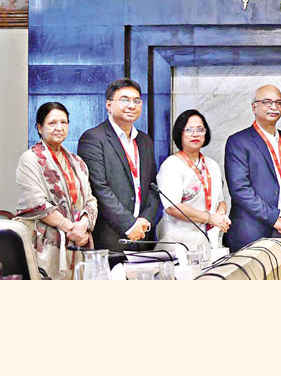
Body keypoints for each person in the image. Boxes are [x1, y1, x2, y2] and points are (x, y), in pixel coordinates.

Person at [14, 102, 98, 279]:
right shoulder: (30, 159)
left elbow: (90, 200)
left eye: (64, 122)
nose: (59, 128)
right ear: (39, 127)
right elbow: (37, 203)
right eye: (52, 123)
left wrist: (83, 225)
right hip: (45, 245)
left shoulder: (77, 162)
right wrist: (71, 230)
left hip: (76, 243)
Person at [78, 79, 160, 252]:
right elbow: (98, 188)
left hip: (143, 236)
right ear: (109, 105)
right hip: (111, 238)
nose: (132, 105)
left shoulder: (145, 141)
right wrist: (129, 225)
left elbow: (153, 187)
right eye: (124, 100)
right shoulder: (93, 138)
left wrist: (145, 220)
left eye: (136, 101)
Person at [224, 84, 281, 251]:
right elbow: (240, 190)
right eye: (267, 102)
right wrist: (275, 219)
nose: (274, 107)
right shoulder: (238, 141)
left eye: (278, 102)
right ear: (254, 107)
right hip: (250, 233)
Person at [156, 109, 230, 253]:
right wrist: (210, 218)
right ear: (180, 133)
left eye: (200, 129)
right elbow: (172, 207)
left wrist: (220, 216)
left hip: (208, 241)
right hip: (178, 242)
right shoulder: (171, 164)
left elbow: (220, 199)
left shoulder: (212, 165)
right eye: (189, 130)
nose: (195, 134)